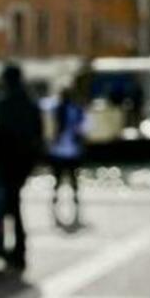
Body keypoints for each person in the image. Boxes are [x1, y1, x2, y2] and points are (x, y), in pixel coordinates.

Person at [0, 63, 44, 269]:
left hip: (7, 162)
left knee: (9, 205)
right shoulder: (31, 103)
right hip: (25, 162)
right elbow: (38, 134)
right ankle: (16, 249)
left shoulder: (3, 104)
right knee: (13, 204)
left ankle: (9, 248)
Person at [46, 80, 88, 227]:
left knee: (58, 181)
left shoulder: (57, 108)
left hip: (59, 151)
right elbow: (84, 129)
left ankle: (55, 206)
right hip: (72, 151)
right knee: (73, 182)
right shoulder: (77, 110)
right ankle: (75, 208)